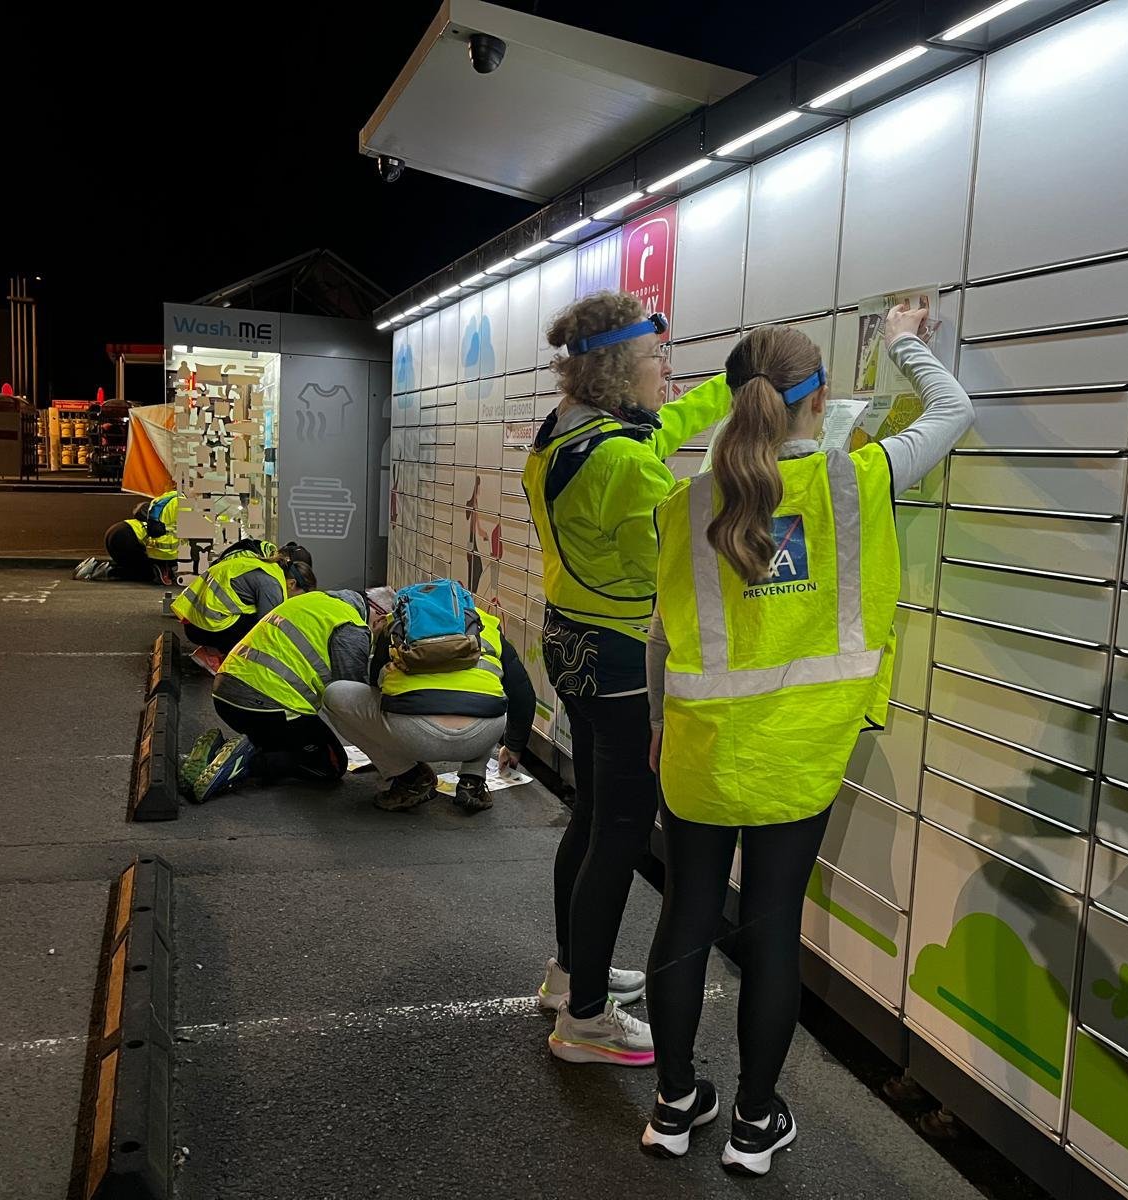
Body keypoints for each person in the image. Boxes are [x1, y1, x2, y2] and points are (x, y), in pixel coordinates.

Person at [639, 305, 973, 1174]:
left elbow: (661, 636)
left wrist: (657, 726)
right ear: (818, 399)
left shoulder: (686, 504)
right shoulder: (858, 479)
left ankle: (672, 1107)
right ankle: (754, 1124)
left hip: (700, 751)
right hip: (801, 752)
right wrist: (902, 338)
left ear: (734, 400)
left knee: (685, 917)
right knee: (772, 928)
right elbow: (955, 411)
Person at [522, 289, 732, 1066]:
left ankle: (569, 974)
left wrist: (734, 385)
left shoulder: (567, 430)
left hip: (572, 646)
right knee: (617, 833)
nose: (665, 372)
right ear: (617, 369)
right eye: (654, 358)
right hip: (620, 664)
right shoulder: (623, 465)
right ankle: (585, 1021)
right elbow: (673, 572)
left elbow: (662, 427)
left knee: (590, 817)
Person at [319, 579, 536, 813]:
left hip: (412, 734)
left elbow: (375, 685)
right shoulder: (486, 624)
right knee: (488, 694)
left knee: (334, 694)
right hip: (482, 734)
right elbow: (522, 694)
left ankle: (409, 778)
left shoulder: (397, 622)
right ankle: (473, 781)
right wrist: (513, 746)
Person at [186, 585, 372, 804]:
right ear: (376, 615)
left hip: (224, 694)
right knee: (332, 764)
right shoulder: (351, 626)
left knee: (283, 743)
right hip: (268, 705)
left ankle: (215, 753)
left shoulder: (314, 601)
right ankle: (248, 763)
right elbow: (352, 695)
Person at [172, 540, 315, 673]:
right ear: (292, 583)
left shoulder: (263, 565)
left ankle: (209, 652)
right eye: (298, 597)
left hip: (195, 621)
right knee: (263, 627)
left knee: (254, 615)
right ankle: (215, 657)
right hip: (202, 627)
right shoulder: (271, 584)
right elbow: (268, 632)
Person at [76, 489, 182, 584]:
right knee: (148, 574)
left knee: (134, 565)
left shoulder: (171, 499)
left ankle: (95, 566)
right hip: (127, 536)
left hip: (121, 529)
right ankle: (106, 571)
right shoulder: (180, 506)